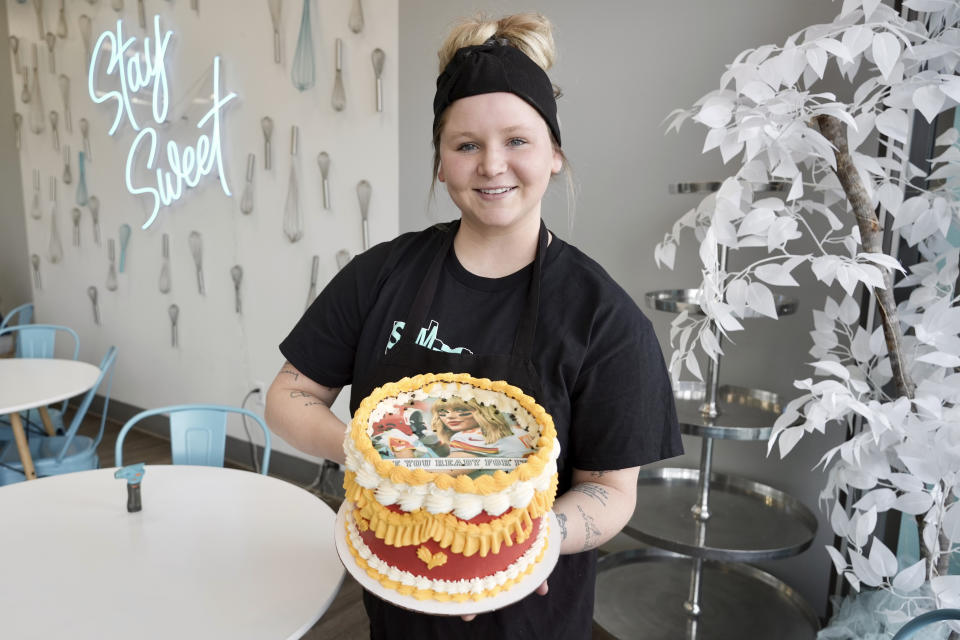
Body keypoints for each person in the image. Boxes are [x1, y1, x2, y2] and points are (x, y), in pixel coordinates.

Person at [265, 12, 682, 640]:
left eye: (517, 140)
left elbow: (611, 491)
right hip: (396, 606)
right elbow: (288, 397)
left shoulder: (606, 319)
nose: (492, 165)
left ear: (555, 155)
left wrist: (528, 544)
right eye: (466, 145)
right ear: (440, 162)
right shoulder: (380, 275)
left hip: (534, 621)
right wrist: (373, 457)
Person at [432, 396, 536, 458]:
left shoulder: (464, 438)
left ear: (483, 412)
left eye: (460, 410)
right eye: (442, 411)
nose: (449, 416)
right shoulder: (517, 429)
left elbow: (443, 474)